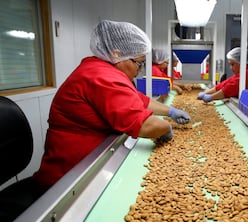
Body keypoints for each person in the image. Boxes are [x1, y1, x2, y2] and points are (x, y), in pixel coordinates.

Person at [32, 20, 191, 192]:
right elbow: (146, 126)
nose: (139, 69)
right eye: (138, 63)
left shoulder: (100, 69)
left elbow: (139, 99)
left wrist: (170, 111)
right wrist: (165, 127)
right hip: (69, 177)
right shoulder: (102, 77)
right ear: (116, 54)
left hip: (89, 162)